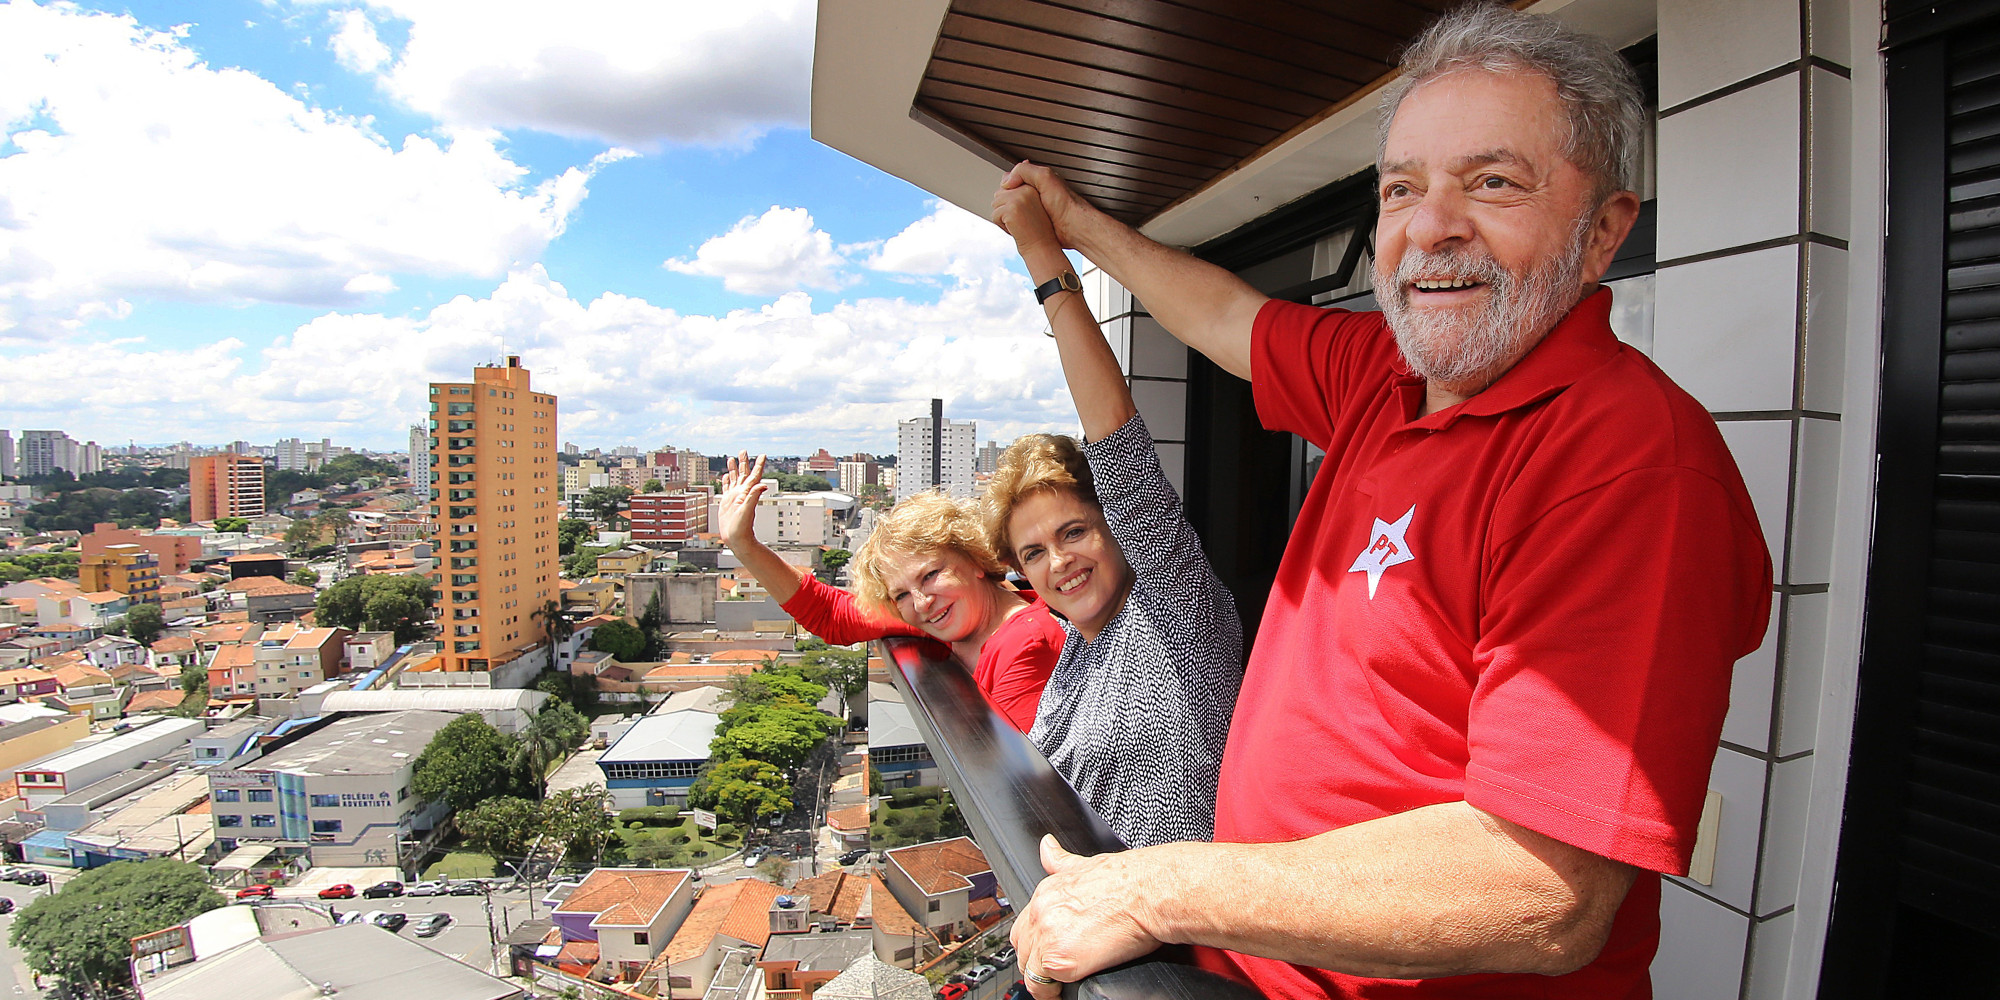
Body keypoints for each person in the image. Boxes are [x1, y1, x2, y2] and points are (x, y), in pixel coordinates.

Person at [1002, 6, 1773, 1000]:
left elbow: (1542, 886)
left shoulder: (1630, 463)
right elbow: (1226, 316)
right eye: (1402, 188)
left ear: (1603, 233)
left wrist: (1161, 886)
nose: (1430, 224)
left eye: (1492, 181)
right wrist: (1072, 229)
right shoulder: (1384, 373)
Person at [982, 182, 1244, 850]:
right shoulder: (1076, 648)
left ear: (1116, 526)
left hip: (1190, 944)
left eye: (1074, 531)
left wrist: (1043, 259)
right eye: (1034, 552)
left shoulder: (1175, 615)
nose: (1059, 561)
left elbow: (1117, 445)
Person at [713, 455, 1062, 731]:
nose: (922, 602)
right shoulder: (950, 615)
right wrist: (743, 544)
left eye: (931, 575)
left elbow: (1027, 790)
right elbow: (831, 615)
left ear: (975, 559)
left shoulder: (1025, 645)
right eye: (901, 595)